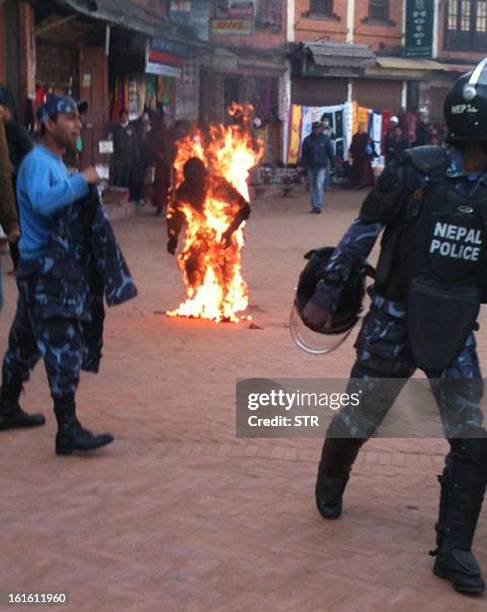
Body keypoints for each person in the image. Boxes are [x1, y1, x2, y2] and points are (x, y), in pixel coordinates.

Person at [302, 61, 487, 595]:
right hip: (392, 319)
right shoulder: (413, 172)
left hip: (452, 325)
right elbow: (362, 234)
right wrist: (325, 294)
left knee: (471, 435)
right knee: (362, 415)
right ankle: (332, 476)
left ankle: (453, 549)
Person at [0, 95, 119, 455]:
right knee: (61, 347)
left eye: (78, 119)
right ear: (48, 124)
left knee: (24, 342)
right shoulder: (38, 162)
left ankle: (5, 407)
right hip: (46, 273)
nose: (77, 125)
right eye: (69, 118)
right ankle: (68, 430)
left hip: (41, 270)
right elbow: (42, 202)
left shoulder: (53, 163)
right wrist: (81, 181)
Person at [167, 157, 250, 298]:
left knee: (223, 265)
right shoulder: (184, 189)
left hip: (224, 231)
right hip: (200, 234)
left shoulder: (218, 184)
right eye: (189, 178)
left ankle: (224, 302)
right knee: (192, 265)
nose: (193, 183)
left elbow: (245, 209)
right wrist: (173, 237)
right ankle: (202, 299)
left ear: (204, 174)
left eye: (196, 178)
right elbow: (176, 215)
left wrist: (229, 232)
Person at [0, 86, 32, 270]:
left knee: (17, 225)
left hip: (15, 184)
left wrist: (14, 168)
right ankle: (17, 263)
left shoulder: (16, 130)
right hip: (6, 185)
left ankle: (21, 263)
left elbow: (30, 156)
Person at [301, 121, 334, 214]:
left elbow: (330, 152)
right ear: (312, 129)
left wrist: (333, 163)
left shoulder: (325, 139)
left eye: (318, 128)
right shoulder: (307, 140)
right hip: (311, 166)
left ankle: (318, 205)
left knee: (319, 185)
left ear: (321, 129)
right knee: (312, 186)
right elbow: (304, 154)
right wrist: (303, 166)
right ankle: (314, 205)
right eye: (315, 129)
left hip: (321, 166)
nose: (316, 130)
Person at [152, 114, 176, 215]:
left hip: (171, 162)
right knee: (160, 184)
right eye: (166, 120)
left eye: (169, 120)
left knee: (170, 184)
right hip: (161, 164)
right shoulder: (159, 133)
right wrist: (160, 156)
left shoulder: (173, 133)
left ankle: (169, 205)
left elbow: (176, 147)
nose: (167, 122)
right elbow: (155, 147)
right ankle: (159, 206)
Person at [112, 109, 138, 198]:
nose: (124, 118)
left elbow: (135, 144)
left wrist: (136, 157)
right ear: (120, 117)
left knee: (127, 179)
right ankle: (118, 197)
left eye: (126, 116)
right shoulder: (116, 129)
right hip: (118, 158)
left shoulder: (131, 129)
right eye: (122, 116)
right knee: (119, 178)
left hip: (129, 158)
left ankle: (126, 198)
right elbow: (112, 142)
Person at [349, 124, 375, 189]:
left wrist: (371, 154)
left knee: (365, 170)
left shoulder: (366, 136)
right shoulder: (355, 136)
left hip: (364, 156)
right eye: (360, 128)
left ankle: (364, 183)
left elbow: (371, 145)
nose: (361, 129)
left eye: (362, 128)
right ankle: (357, 183)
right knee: (357, 170)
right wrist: (350, 152)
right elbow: (352, 145)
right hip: (357, 156)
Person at [321, 116, 335, 191]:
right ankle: (320, 185)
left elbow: (333, 139)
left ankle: (326, 185)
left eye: (327, 121)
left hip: (328, 152)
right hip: (320, 152)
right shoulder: (319, 129)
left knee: (327, 169)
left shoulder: (330, 129)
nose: (325, 122)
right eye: (324, 121)